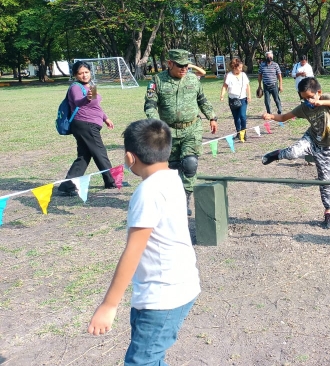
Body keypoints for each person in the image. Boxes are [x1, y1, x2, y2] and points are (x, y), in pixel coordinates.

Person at [87, 119, 200, 365]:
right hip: (174, 286)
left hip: (163, 294)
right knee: (150, 357)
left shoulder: (148, 192)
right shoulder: (172, 178)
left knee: (142, 361)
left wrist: (109, 305)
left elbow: (133, 251)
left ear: (130, 158)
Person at [261, 77, 330, 229]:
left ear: (319, 93)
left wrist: (321, 102)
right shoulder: (304, 108)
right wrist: (271, 116)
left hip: (327, 147)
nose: (307, 101)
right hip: (311, 139)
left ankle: (328, 212)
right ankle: (277, 154)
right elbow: (285, 117)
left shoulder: (325, 99)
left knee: (325, 180)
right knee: (292, 153)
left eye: (310, 97)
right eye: (303, 98)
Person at [144, 49, 218, 215]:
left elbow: (202, 99)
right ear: (170, 64)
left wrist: (212, 117)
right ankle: (171, 198)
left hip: (192, 128)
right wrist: (155, 123)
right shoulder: (157, 80)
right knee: (173, 168)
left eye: (186, 65)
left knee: (190, 164)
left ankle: (184, 200)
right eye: (180, 66)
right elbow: (150, 104)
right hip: (168, 131)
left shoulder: (193, 79)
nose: (184, 69)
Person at [58, 61, 117, 195]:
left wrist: (105, 118)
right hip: (84, 124)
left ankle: (68, 185)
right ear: (75, 75)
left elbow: (95, 106)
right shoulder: (75, 87)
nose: (84, 75)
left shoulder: (91, 86)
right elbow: (79, 101)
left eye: (86, 72)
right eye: (80, 73)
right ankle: (111, 181)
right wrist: (87, 98)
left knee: (84, 156)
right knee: (100, 152)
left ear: (90, 72)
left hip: (90, 124)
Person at [220, 58, 251, 139]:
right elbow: (224, 86)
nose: (241, 69)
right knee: (236, 117)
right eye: (239, 68)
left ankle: (243, 132)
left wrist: (249, 96)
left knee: (243, 116)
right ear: (234, 67)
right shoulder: (228, 75)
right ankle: (238, 132)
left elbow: (247, 86)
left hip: (243, 99)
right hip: (232, 100)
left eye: (241, 68)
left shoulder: (243, 75)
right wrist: (222, 95)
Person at [257, 51, 283, 115]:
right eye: (268, 57)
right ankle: (269, 112)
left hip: (274, 85)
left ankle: (280, 111)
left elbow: (279, 76)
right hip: (266, 86)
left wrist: (280, 85)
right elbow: (260, 75)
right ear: (266, 57)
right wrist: (259, 86)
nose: (269, 58)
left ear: (272, 57)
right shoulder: (262, 65)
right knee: (267, 101)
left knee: (276, 99)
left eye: (270, 57)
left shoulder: (275, 65)